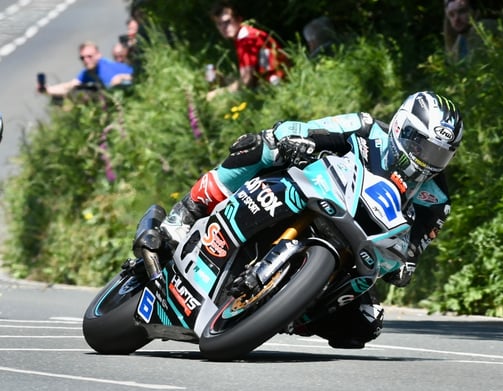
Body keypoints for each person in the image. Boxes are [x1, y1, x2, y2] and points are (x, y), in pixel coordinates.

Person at [158, 91, 464, 348]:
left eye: (439, 154)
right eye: (421, 146)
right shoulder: (367, 128)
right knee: (261, 145)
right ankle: (188, 210)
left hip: (360, 244)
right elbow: (310, 129)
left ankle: (289, 312)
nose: (426, 159)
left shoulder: (437, 198)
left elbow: (416, 246)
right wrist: (294, 138)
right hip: (320, 193)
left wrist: (405, 264)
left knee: (364, 325)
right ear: (401, 128)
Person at [207, 1, 288, 100]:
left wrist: (219, 93)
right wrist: (226, 80)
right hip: (274, 79)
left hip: (275, 85)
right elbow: (255, 75)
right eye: (219, 24)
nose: (223, 28)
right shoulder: (248, 33)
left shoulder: (246, 40)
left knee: (220, 100)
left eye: (227, 22)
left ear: (239, 19)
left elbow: (247, 82)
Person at [38, 41, 133, 97]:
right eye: (82, 58)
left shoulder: (106, 69)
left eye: (89, 56)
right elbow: (70, 85)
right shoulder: (87, 73)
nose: (86, 60)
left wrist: (122, 77)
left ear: (98, 55)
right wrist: (47, 90)